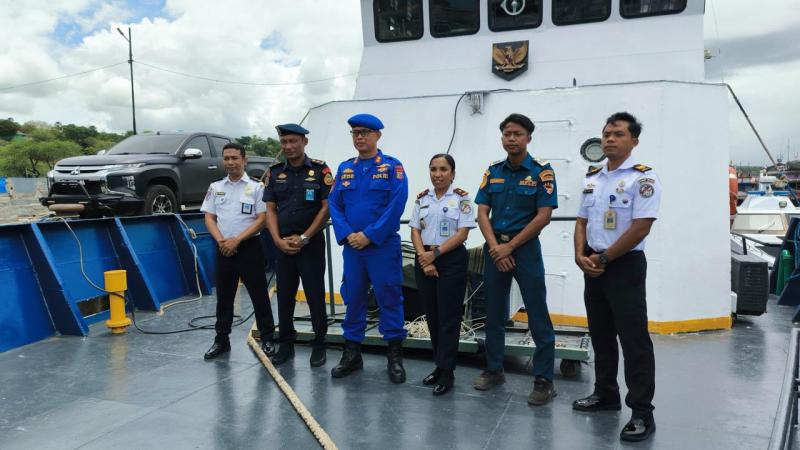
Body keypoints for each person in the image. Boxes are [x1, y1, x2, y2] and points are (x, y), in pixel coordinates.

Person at [572, 112, 660, 442]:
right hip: (592, 264)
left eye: (618, 134)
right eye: (606, 133)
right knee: (601, 334)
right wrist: (580, 255)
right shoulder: (592, 177)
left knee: (634, 340)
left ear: (633, 141)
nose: (609, 138)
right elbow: (581, 220)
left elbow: (641, 227)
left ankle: (641, 412)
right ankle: (605, 394)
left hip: (624, 267)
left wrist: (605, 257)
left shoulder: (643, 179)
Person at [472, 113, 558, 406]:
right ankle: (494, 369)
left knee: (537, 314)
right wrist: (496, 247)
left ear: (528, 138)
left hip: (525, 251)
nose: (511, 138)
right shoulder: (492, 171)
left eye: (517, 133)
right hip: (495, 248)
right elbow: (482, 211)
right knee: (493, 313)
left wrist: (511, 248)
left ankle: (544, 379)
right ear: (502, 138)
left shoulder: (541, 172)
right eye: (507, 133)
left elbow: (543, 216)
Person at [327, 113, 409, 383]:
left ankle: (394, 357)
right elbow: (335, 205)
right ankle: (352, 354)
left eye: (365, 132)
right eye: (355, 133)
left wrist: (370, 235)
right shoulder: (344, 169)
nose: (359, 137)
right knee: (353, 298)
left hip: (382, 247)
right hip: (353, 248)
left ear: (378, 135)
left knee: (389, 297)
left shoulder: (392, 167)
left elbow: (396, 206)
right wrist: (349, 234)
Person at [263, 123, 332, 367]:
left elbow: (326, 207)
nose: (289, 146)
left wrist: (304, 237)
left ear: (305, 142)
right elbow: (270, 210)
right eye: (285, 142)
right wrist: (277, 240)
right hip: (282, 244)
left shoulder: (320, 170)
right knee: (285, 295)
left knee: (314, 294)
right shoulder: (273, 172)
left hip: (310, 244)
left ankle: (319, 343)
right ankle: (286, 344)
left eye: (294, 141)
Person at [201, 142, 276, 360]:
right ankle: (221, 340)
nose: (230, 162)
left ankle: (268, 337)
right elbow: (209, 217)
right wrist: (222, 241)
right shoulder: (216, 187)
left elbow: (262, 219)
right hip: (223, 247)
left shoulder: (256, 188)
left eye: (235, 158)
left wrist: (237, 240)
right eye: (227, 158)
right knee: (224, 296)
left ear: (245, 160)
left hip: (249, 247)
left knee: (259, 294)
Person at [409, 154, 476, 396]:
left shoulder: (462, 199)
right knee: (432, 316)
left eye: (443, 169)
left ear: (453, 173)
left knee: (448, 317)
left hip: (450, 260)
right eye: (434, 169)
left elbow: (462, 233)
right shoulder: (422, 199)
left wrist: (434, 255)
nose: (438, 174)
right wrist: (423, 257)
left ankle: (448, 372)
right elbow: (415, 230)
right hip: (424, 258)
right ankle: (439, 365)